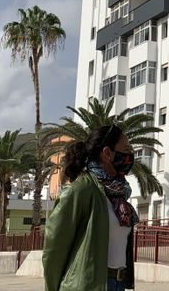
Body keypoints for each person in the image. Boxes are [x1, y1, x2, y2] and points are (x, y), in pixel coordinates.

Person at [43, 125, 138, 291]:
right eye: (126, 148)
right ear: (107, 153)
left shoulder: (119, 194)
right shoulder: (80, 190)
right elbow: (54, 250)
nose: (130, 154)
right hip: (87, 285)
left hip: (118, 284)